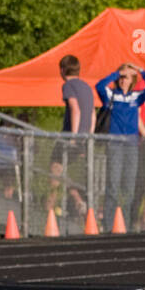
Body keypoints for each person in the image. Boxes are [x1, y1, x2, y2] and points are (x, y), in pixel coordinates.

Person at [96, 64, 145, 231]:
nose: (123, 81)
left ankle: (128, 224)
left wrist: (140, 71)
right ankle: (109, 226)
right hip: (115, 144)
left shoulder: (136, 97)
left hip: (131, 145)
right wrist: (116, 73)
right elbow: (99, 86)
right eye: (122, 78)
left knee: (129, 187)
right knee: (113, 185)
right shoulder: (111, 95)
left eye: (126, 78)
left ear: (132, 81)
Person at [48, 54, 93, 217]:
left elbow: (75, 108)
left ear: (62, 70)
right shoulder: (87, 87)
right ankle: (76, 199)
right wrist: (89, 135)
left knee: (54, 169)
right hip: (84, 138)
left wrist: (73, 137)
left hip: (72, 137)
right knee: (60, 170)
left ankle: (50, 208)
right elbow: (92, 113)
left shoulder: (68, 85)